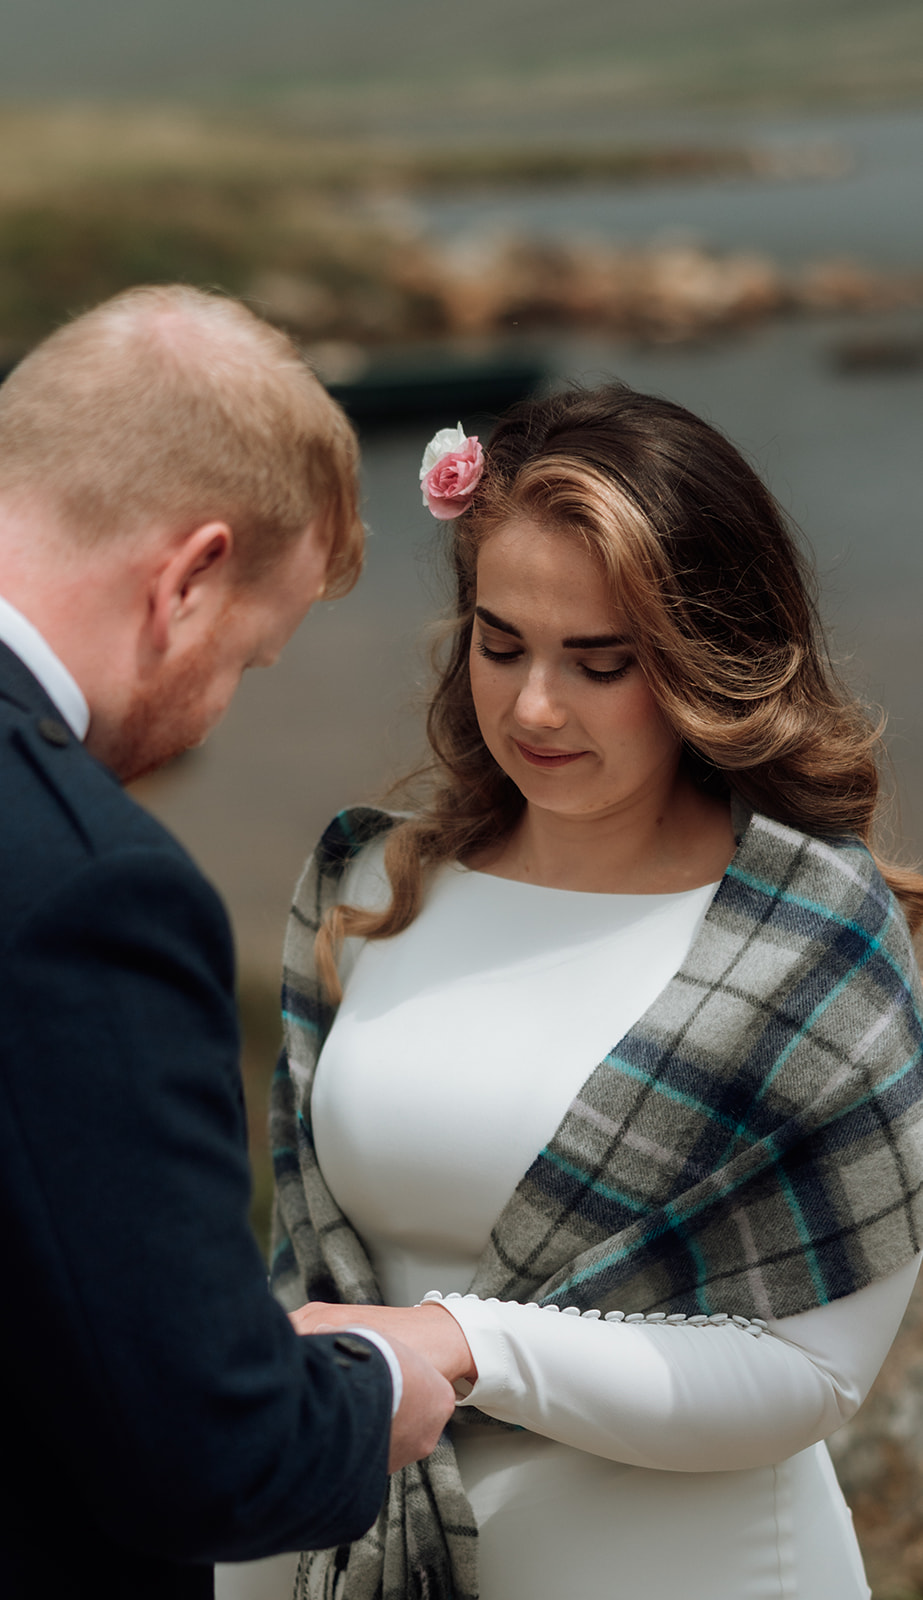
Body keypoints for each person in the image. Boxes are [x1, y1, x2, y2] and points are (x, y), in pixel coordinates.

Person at [222, 386, 923, 1600]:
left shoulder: (807, 943)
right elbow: (309, 1287)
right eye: (501, 644)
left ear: (709, 662)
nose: (534, 706)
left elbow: (811, 1380)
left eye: (599, 663)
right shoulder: (367, 882)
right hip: (346, 1557)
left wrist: (463, 1344)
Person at [0, 284, 455, 1599]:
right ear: (187, 579)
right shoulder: (74, 889)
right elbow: (209, 1455)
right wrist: (380, 1382)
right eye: (250, 659)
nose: (215, 718)